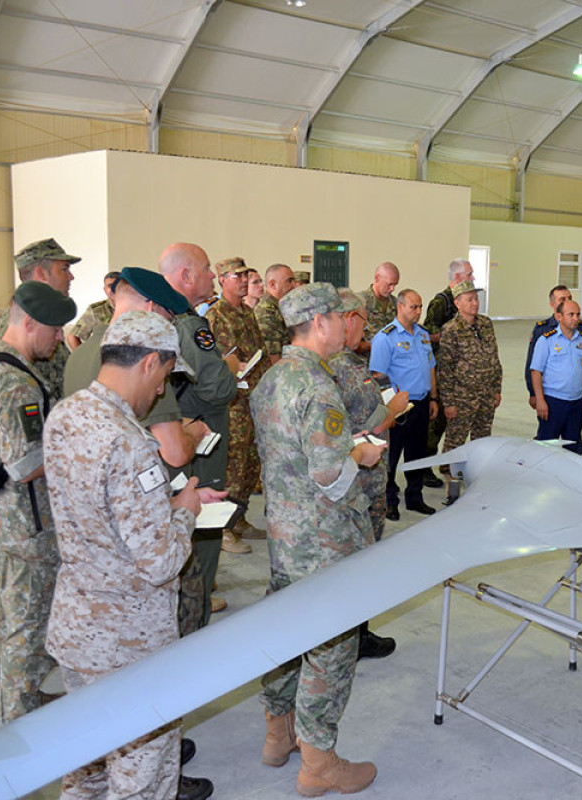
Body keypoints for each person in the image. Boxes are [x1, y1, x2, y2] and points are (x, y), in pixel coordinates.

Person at [44, 311, 220, 800]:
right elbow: (161, 560)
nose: (162, 391)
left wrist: (160, 506)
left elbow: (100, 513)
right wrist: (184, 510)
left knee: (86, 766)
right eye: (165, 376)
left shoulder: (67, 415)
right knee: (141, 776)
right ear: (148, 363)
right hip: (128, 642)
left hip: (77, 629)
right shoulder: (131, 441)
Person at [251, 284, 384, 796]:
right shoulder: (317, 386)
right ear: (321, 323)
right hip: (324, 538)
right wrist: (362, 456)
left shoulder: (272, 379)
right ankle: (318, 762)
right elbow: (331, 474)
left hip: (285, 534)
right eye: (338, 317)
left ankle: (276, 734)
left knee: (286, 634)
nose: (343, 325)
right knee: (330, 646)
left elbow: (291, 458)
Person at [62, 267, 217, 633]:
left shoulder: (81, 354)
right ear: (149, 306)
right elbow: (174, 452)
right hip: (138, 567)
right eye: (166, 315)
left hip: (90, 560)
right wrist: (192, 434)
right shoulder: (139, 375)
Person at [0, 281, 76, 724]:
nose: (59, 338)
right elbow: (24, 464)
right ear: (28, 322)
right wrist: (74, 445)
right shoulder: (14, 384)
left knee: (18, 621)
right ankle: (16, 728)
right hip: (24, 527)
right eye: (53, 329)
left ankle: (24, 703)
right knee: (26, 630)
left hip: (10, 519)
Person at [324, 288, 409, 660]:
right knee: (357, 562)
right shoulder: (338, 366)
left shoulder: (347, 362)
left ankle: (355, 633)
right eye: (361, 318)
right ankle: (350, 639)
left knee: (362, 559)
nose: (366, 328)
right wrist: (392, 410)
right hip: (358, 480)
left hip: (367, 478)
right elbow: (353, 429)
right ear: (348, 319)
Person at [161, 243, 238, 617]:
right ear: (186, 276)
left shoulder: (160, 319)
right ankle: (197, 606)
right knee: (202, 530)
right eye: (207, 269)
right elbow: (218, 388)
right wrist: (229, 370)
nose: (213, 276)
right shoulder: (190, 324)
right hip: (199, 445)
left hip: (175, 437)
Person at [206, 256, 269, 553]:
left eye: (246, 276)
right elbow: (212, 360)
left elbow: (260, 351)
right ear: (222, 280)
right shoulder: (215, 315)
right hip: (232, 403)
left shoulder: (247, 312)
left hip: (252, 399)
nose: (244, 281)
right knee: (232, 465)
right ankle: (221, 529)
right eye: (237, 276)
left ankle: (238, 517)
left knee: (250, 464)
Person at [369, 289, 438, 519]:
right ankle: (389, 501)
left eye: (420, 307)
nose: (418, 312)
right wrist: (389, 411)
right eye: (413, 307)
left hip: (421, 402)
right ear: (400, 307)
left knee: (417, 454)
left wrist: (434, 398)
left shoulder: (422, 335)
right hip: (398, 409)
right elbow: (378, 377)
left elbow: (431, 368)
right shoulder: (385, 338)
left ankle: (415, 497)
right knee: (390, 457)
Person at [0, 238, 82, 402]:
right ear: (41, 274)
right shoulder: (16, 322)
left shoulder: (45, 317)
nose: (71, 277)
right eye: (64, 269)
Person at [420, 258, 473, 486]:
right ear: (458, 278)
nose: (472, 279)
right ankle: (423, 467)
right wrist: (451, 335)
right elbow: (429, 335)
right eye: (469, 275)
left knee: (455, 423)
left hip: (459, 371)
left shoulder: (465, 302)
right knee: (437, 422)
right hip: (442, 370)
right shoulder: (441, 302)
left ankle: (449, 464)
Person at [437, 280, 501, 454]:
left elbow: (494, 359)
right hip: (462, 397)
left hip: (486, 395)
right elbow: (445, 369)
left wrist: (496, 389)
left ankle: (476, 471)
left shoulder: (486, 324)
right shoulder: (451, 330)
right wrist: (449, 402)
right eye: (470, 299)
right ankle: (450, 473)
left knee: (483, 439)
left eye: (476, 299)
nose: (475, 303)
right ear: (457, 303)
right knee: (455, 440)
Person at [529, 299, 582, 455]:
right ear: (559, 316)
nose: (575, 318)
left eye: (578, 314)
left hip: (576, 403)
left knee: (573, 447)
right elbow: (536, 372)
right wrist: (540, 400)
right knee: (546, 446)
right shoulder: (546, 340)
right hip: (553, 403)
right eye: (571, 314)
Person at [525, 285, 582, 407]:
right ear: (553, 304)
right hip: (551, 396)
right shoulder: (542, 329)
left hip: (576, 395)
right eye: (562, 299)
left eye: (570, 298)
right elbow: (532, 365)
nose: (568, 301)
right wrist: (533, 393)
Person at [255, 263, 297, 366]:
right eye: (289, 281)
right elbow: (273, 357)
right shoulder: (266, 312)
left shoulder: (280, 307)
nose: (294, 285)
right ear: (273, 285)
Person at [66, 271, 119, 349]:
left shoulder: (135, 307)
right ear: (105, 290)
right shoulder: (97, 310)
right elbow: (72, 337)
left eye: (117, 285)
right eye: (110, 285)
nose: (113, 289)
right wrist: (83, 358)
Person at [358, 262, 399, 355]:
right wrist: (376, 345)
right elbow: (350, 342)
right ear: (377, 278)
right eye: (389, 284)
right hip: (366, 362)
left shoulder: (396, 304)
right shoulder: (359, 303)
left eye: (395, 285)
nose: (392, 289)